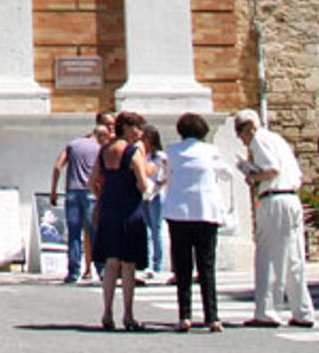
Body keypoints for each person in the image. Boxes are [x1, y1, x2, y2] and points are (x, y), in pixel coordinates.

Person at [235, 107, 316, 329]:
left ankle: (267, 311)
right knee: (294, 258)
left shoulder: (259, 139)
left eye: (241, 132)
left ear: (251, 126)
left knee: (268, 256)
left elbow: (272, 169)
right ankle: (302, 311)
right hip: (291, 199)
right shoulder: (277, 139)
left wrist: (252, 176)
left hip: (274, 199)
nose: (242, 139)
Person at [161, 111, 230, 332]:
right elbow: (225, 174)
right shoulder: (211, 151)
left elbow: (167, 178)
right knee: (206, 266)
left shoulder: (171, 151)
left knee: (182, 267)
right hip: (205, 212)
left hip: (179, 213)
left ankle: (185, 315)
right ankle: (212, 316)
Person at [88, 110, 151, 331]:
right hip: (129, 209)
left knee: (111, 263)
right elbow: (143, 185)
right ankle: (128, 314)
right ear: (127, 128)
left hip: (109, 208)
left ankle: (106, 312)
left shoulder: (105, 151)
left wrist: (103, 196)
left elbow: (92, 181)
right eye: (137, 127)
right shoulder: (133, 152)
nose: (140, 132)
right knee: (128, 265)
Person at [51, 111, 112, 283]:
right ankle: (101, 270)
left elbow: (57, 167)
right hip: (91, 193)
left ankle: (73, 272)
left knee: (74, 234)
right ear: (100, 136)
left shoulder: (73, 144)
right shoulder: (100, 149)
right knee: (95, 233)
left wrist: (54, 190)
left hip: (71, 192)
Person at [138, 124, 168, 283]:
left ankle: (157, 264)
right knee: (146, 230)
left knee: (156, 229)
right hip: (143, 194)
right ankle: (147, 263)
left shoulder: (160, 156)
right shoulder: (142, 155)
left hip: (156, 194)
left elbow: (163, 177)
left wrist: (154, 189)